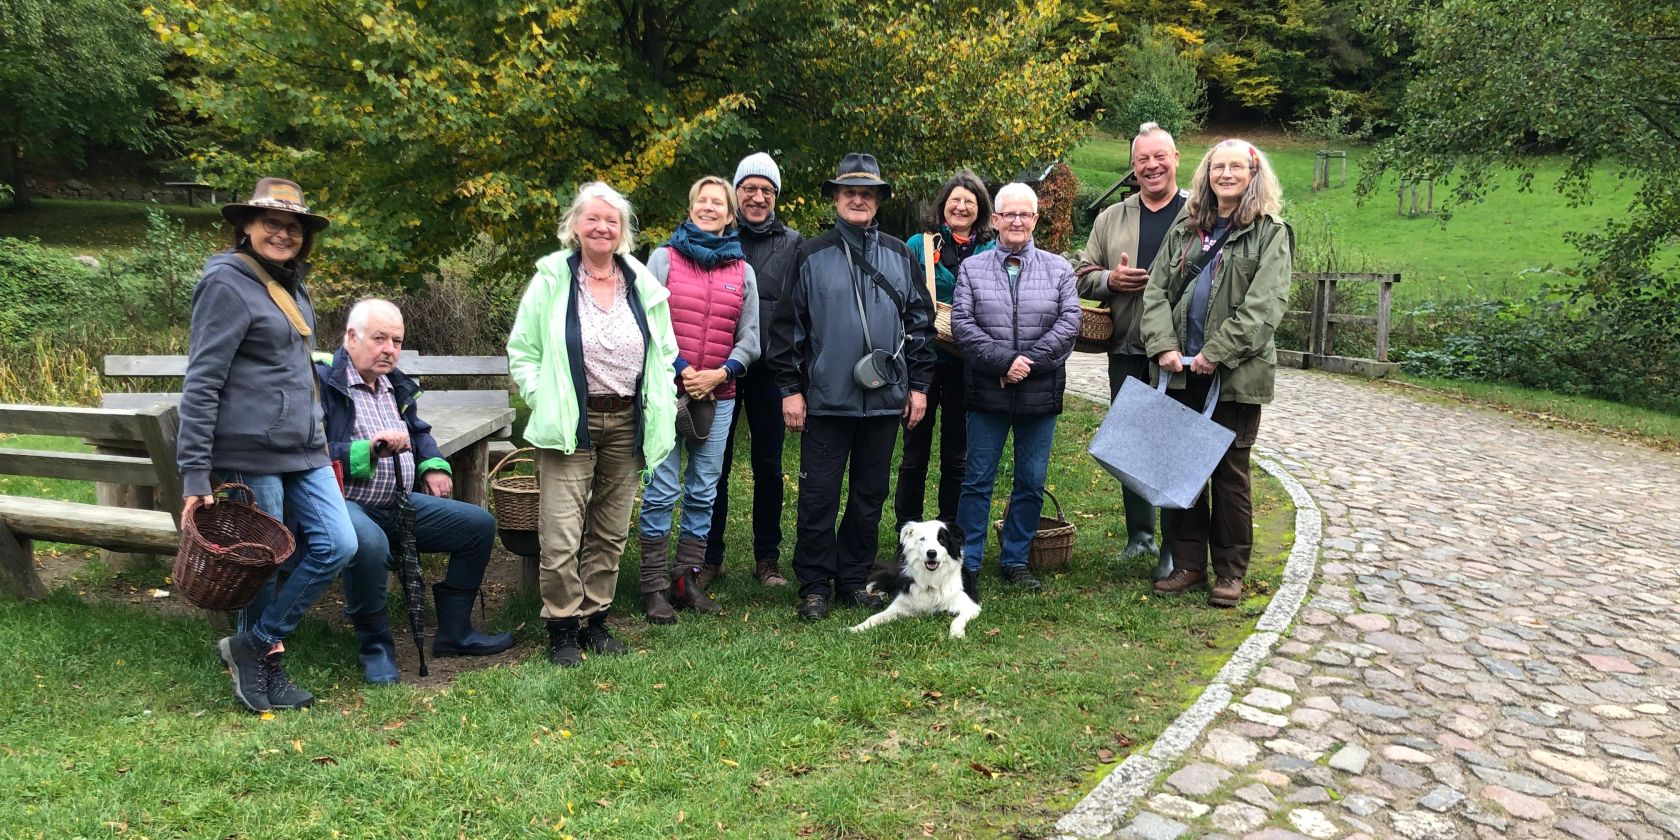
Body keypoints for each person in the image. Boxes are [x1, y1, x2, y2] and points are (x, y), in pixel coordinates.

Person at [177, 177, 357, 713]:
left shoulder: (291, 284)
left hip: (305, 449)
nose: (283, 233)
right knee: (264, 565)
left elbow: (295, 371)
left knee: (338, 544)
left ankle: (250, 646)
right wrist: (194, 474)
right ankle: (265, 669)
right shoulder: (226, 284)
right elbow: (202, 381)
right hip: (251, 452)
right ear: (246, 227)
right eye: (272, 223)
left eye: (293, 226)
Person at [507, 182, 680, 665]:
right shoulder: (550, 280)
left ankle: (595, 621)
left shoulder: (641, 282)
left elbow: (665, 350)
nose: (602, 227)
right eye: (593, 219)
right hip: (570, 423)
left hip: (628, 419)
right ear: (575, 227)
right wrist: (542, 398)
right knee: (561, 531)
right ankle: (561, 626)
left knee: (609, 530)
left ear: (623, 231)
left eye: (612, 221)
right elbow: (522, 351)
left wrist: (660, 388)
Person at [767, 152, 935, 621]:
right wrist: (789, 389)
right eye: (849, 192)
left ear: (878, 200)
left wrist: (918, 387)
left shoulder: (901, 255)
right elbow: (786, 329)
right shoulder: (811, 254)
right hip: (825, 402)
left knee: (868, 496)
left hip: (884, 403)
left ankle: (853, 577)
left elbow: (920, 325)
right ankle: (816, 584)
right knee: (819, 495)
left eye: (867, 193)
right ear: (837, 199)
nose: (858, 200)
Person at [315, 299, 515, 683]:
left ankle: (455, 633)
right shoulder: (324, 382)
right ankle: (376, 648)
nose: (389, 348)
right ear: (351, 337)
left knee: (477, 525)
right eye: (379, 338)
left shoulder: (394, 384)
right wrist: (369, 449)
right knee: (369, 545)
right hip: (344, 503)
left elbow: (418, 433)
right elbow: (312, 448)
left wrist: (433, 465)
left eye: (396, 340)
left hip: (399, 503)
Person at [1140, 138, 1292, 608]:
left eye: (1235, 168)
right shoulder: (1187, 228)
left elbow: (1265, 307)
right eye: (1217, 167)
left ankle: (1229, 572)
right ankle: (1187, 564)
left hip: (1234, 377)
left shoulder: (1270, 233)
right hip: (1179, 373)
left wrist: (1218, 351)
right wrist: (1164, 344)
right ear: (1206, 175)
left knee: (1229, 476)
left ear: (1252, 176)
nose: (1225, 175)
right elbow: (1156, 293)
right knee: (1179, 471)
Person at [636, 176, 761, 623]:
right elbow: (648, 323)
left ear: (730, 215)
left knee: (704, 490)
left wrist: (722, 372)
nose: (709, 208)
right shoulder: (663, 259)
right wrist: (682, 370)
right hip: (668, 393)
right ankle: (652, 586)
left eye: (718, 203)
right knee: (663, 489)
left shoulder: (742, 272)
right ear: (691, 209)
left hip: (720, 395)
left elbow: (750, 338)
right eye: (702, 202)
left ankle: (686, 579)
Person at [950, 183, 1080, 600]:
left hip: (1039, 392)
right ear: (996, 219)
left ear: (1036, 220)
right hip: (987, 390)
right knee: (977, 479)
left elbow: (1068, 325)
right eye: (1009, 214)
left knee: (1030, 479)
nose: (1017, 221)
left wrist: (1026, 365)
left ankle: (1016, 559)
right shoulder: (973, 268)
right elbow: (963, 327)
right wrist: (1002, 362)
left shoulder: (1059, 269)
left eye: (1026, 215)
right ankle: (967, 564)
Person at [1075, 122, 1189, 579]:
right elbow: (1082, 273)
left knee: (1171, 446)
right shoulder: (1112, 218)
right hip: (1125, 345)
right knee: (1133, 443)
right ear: (1133, 166)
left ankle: (1175, 547)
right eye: (1143, 159)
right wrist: (1110, 281)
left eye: (1160, 156)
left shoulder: (1197, 214)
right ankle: (1140, 536)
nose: (1152, 165)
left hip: (1181, 350)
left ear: (1176, 159)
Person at [703, 153, 802, 589]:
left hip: (771, 371)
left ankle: (768, 558)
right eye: (749, 189)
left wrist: (796, 375)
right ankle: (709, 556)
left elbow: (801, 310)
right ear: (736, 193)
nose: (758, 197)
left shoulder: (796, 244)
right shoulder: (717, 237)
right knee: (715, 465)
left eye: (766, 190)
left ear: (776, 196)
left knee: (768, 466)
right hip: (720, 370)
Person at [896, 171, 995, 532]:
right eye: (955, 199)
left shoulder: (992, 249)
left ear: (980, 208)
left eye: (970, 200)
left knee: (957, 455)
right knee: (913, 454)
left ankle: (949, 530)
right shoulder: (918, 245)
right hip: (922, 360)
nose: (962, 205)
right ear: (944, 204)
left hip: (968, 364)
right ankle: (907, 530)